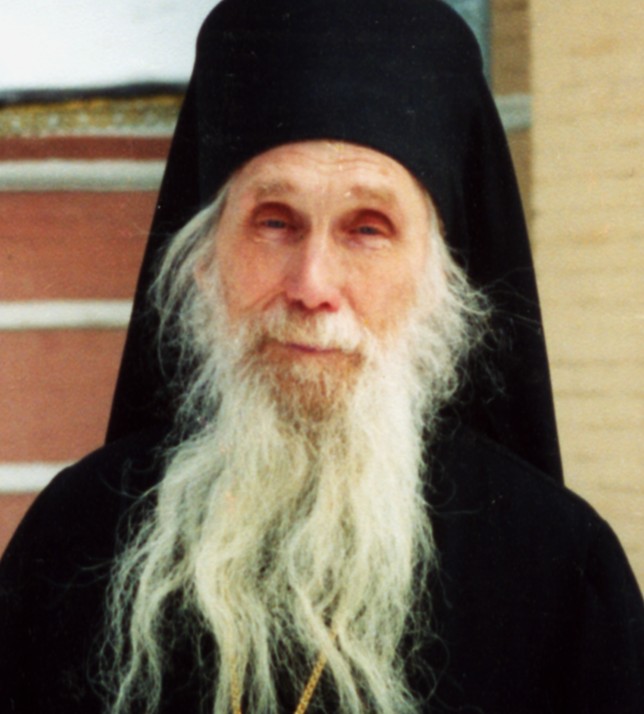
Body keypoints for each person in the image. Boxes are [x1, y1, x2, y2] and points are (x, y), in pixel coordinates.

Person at [1, 1, 642, 712]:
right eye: (275, 222)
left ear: (440, 282)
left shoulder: (559, 571)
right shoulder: (74, 536)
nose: (311, 286)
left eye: (368, 229)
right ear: (204, 261)